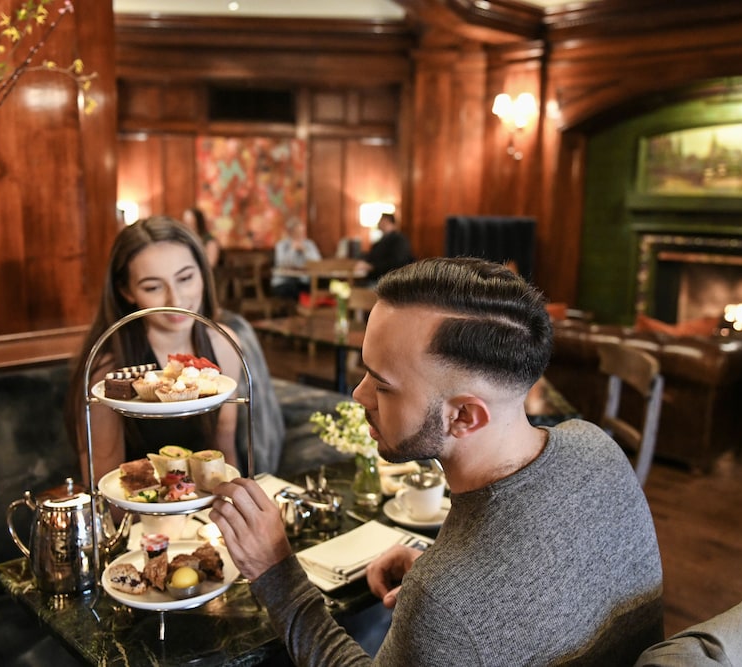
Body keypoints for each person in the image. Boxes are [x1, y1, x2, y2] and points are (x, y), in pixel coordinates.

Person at [209, 257, 664, 666]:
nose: (359, 395)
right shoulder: (595, 446)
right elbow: (555, 580)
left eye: (382, 385)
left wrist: (276, 572)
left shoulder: (445, 602)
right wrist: (436, 570)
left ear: (464, 416)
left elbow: (472, 600)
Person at [66, 215, 241, 488]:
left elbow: (225, 451)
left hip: (208, 508)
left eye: (185, 278)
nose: (176, 299)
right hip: (140, 510)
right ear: (126, 291)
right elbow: (102, 482)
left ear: (203, 272)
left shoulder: (224, 344)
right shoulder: (109, 368)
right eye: (153, 287)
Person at [271, 217, 322, 301]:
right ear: (290, 232)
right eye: (297, 232)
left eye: (302, 232)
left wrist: (305, 251)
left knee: (319, 286)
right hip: (284, 282)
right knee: (294, 289)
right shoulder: (281, 245)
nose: (300, 235)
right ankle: (303, 306)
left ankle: (310, 306)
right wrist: (292, 250)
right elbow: (282, 264)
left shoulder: (309, 244)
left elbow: (318, 262)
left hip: (304, 280)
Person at [356, 212, 414, 283]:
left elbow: (398, 263)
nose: (379, 223)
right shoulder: (380, 241)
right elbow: (372, 256)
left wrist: (372, 267)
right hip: (377, 278)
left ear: (389, 222)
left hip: (390, 281)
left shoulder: (399, 239)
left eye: (381, 220)